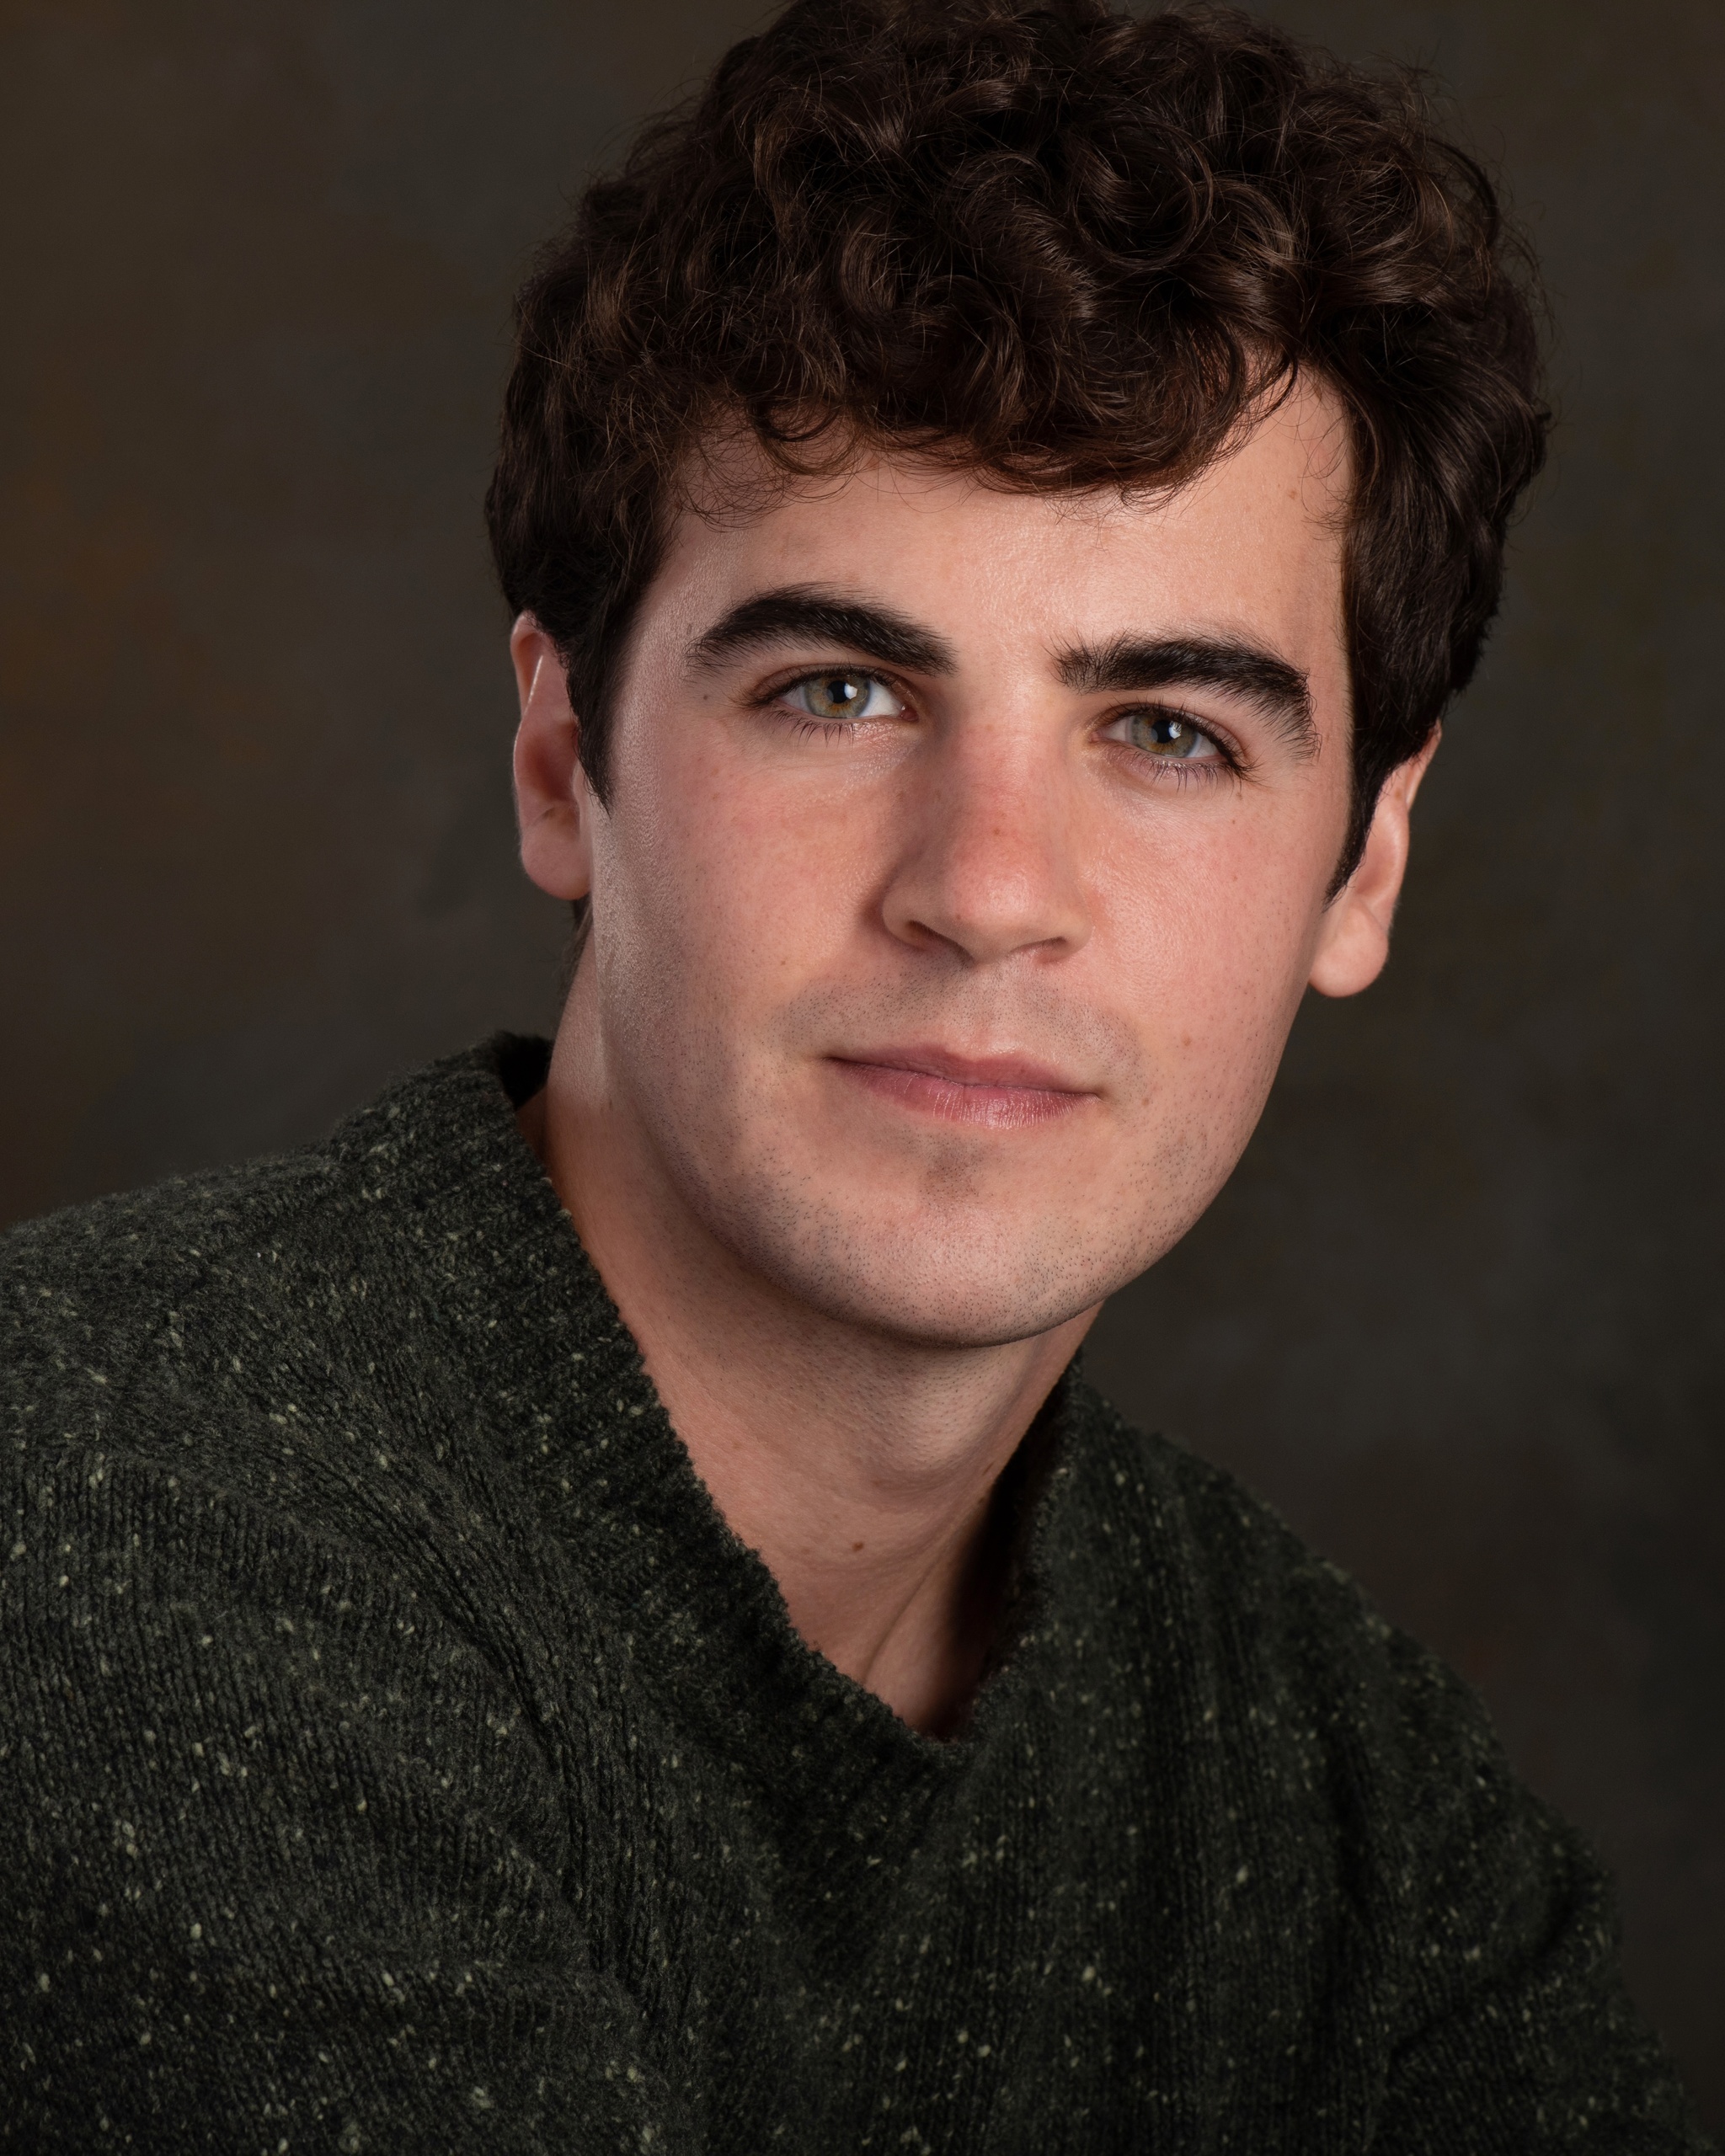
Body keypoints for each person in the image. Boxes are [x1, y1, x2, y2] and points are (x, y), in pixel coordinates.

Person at [1, 0, 1711, 2144]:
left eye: (1168, 731)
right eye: (836, 690)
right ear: (561, 758)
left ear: (1361, 861)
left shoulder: (1354, 1809)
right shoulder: (102, 1513)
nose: (988, 890)